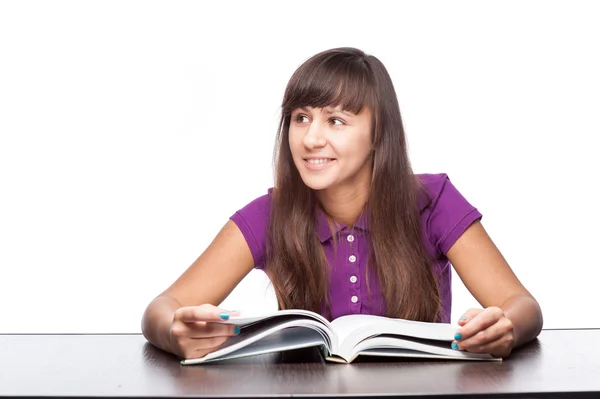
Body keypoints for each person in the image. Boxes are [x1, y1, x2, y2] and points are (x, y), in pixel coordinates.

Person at [141, 47, 543, 361]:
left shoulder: (433, 201)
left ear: (377, 134)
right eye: (301, 118)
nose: (311, 138)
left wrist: (505, 326)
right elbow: (161, 309)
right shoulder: (270, 215)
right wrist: (175, 333)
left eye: (335, 120)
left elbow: (523, 306)